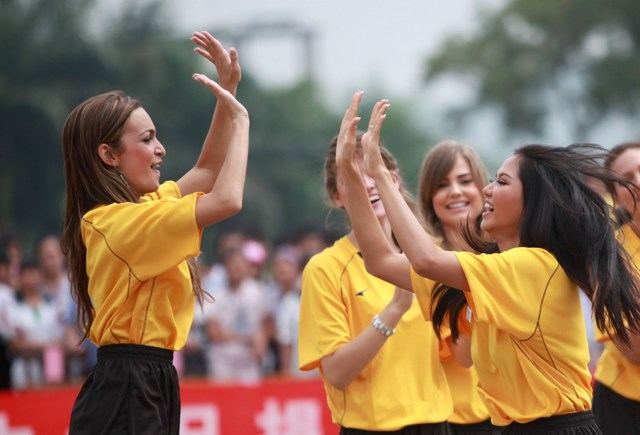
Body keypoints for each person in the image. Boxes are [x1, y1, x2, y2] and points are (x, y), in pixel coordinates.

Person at [336, 91, 640, 433]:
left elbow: (424, 260)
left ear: (532, 203)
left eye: (502, 182)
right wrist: (349, 171)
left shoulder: (534, 266)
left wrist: (377, 171)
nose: (487, 191)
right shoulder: (492, 271)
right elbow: (380, 261)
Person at [61, 31, 249, 434]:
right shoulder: (116, 223)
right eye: (147, 140)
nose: (160, 149)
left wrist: (227, 92)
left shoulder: (141, 210)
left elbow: (206, 173)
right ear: (108, 155)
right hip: (127, 383)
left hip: (150, 377)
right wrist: (241, 120)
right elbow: (227, 198)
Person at [298, 94, 453, 434]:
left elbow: (461, 353)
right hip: (369, 428)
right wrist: (395, 309)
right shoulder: (325, 268)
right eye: (351, 176)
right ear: (337, 196)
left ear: (392, 179)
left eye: (372, 170)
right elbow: (337, 373)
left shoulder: (430, 259)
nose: (366, 182)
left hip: (435, 424)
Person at [415, 140, 496, 434]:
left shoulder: (505, 253)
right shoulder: (426, 265)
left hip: (514, 413)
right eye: (442, 185)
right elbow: (464, 356)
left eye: (465, 181)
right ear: (429, 198)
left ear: (483, 188)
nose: (455, 192)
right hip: (455, 420)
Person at [591, 141, 640, 434]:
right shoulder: (610, 255)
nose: (639, 183)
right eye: (627, 180)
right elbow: (634, 348)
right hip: (625, 404)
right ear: (616, 198)